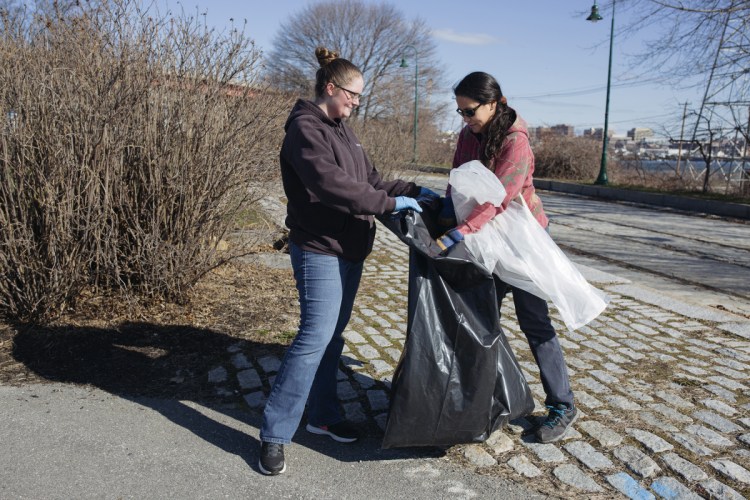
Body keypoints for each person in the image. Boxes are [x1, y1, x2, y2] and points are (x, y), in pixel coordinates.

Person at [258, 47, 438, 476]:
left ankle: (321, 415)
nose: (357, 102)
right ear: (331, 88)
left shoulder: (343, 130)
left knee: (333, 336)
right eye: (353, 95)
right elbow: (334, 185)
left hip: (351, 247)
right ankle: (273, 434)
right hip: (319, 247)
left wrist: (417, 189)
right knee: (313, 336)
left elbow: (369, 180)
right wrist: (391, 202)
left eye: (360, 97)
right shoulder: (305, 129)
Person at [435, 71, 577, 444]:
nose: (465, 120)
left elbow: (498, 197)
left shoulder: (516, 142)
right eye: (461, 112)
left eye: (470, 112)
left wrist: (459, 232)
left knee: (535, 320)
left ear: (495, 103)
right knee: (480, 318)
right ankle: (484, 396)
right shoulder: (469, 134)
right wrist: (446, 215)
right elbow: (458, 178)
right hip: (486, 237)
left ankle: (562, 404)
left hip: (523, 237)